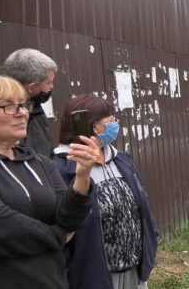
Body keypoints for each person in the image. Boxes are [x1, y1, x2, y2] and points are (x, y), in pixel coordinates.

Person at [0, 75, 96, 288]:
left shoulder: (39, 162)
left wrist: (82, 176)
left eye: (23, 105)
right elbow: (4, 227)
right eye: (9, 107)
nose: (23, 113)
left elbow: (69, 217)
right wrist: (59, 236)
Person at [52, 94, 158, 289]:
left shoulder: (120, 159)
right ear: (94, 127)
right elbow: (64, 222)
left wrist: (151, 239)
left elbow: (141, 203)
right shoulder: (60, 168)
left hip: (134, 269)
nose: (115, 125)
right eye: (111, 121)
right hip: (95, 275)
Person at [3, 48, 57, 157]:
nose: (52, 87)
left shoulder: (36, 108)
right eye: (48, 83)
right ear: (31, 88)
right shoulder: (6, 116)